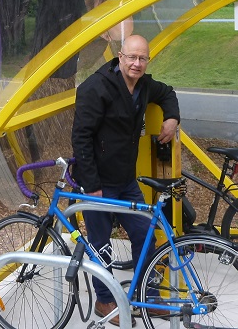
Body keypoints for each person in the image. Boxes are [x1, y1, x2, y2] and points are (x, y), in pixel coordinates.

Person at [71, 34, 179, 326]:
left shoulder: (143, 85)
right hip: (98, 182)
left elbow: (167, 92)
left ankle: (149, 294)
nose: (136, 63)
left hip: (126, 180)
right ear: (120, 56)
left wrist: (172, 118)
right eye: (131, 57)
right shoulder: (96, 88)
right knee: (100, 244)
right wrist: (92, 187)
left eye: (142, 58)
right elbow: (80, 138)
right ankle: (105, 302)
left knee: (145, 235)